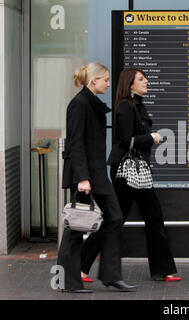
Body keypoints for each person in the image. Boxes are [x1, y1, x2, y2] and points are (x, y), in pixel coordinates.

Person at [80, 67, 181, 282]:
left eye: (146, 78)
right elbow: (125, 140)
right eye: (141, 79)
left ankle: (162, 270)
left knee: (149, 217)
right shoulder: (126, 107)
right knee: (115, 219)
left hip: (138, 171)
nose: (147, 82)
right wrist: (151, 137)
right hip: (126, 173)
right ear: (130, 83)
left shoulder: (136, 105)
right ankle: (80, 265)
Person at [58, 62, 137, 293]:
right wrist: (82, 178)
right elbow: (75, 143)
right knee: (75, 228)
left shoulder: (91, 104)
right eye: (106, 80)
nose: (109, 83)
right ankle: (68, 282)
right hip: (85, 176)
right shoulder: (79, 104)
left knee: (114, 218)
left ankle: (111, 275)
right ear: (94, 81)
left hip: (97, 175)